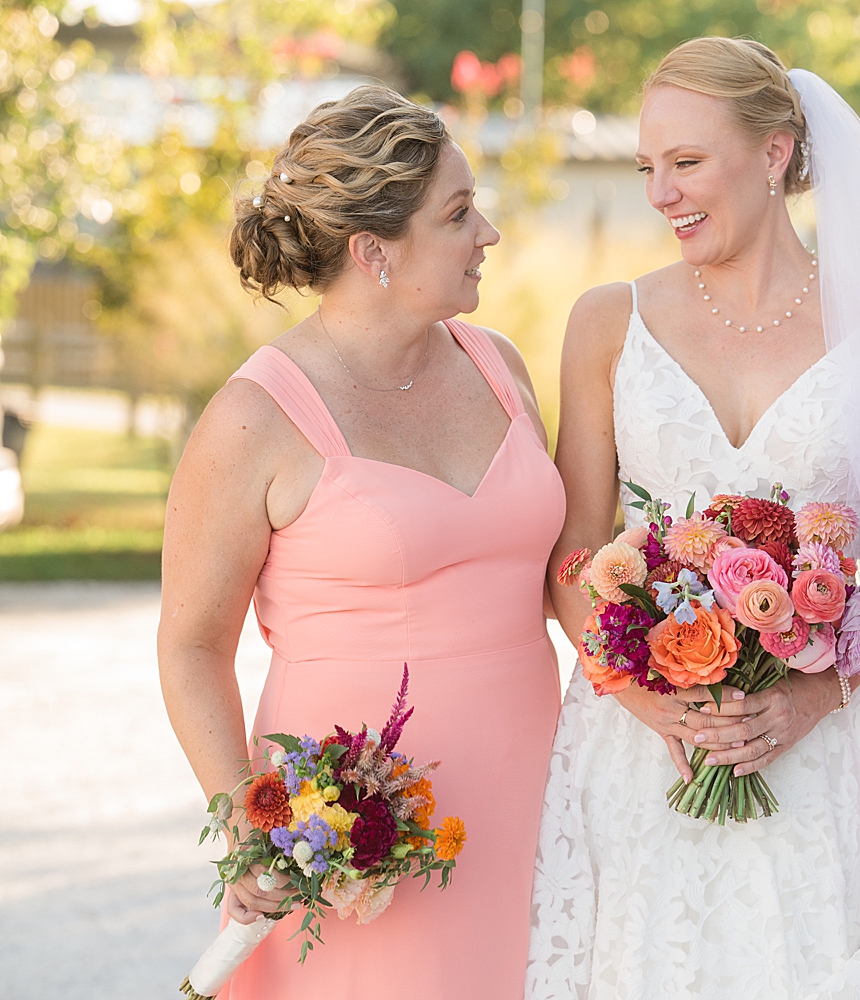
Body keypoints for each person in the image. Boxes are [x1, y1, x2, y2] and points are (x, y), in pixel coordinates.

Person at [527, 37, 860, 1000]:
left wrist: (809, 698)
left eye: (687, 162)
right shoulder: (607, 321)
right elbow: (572, 556)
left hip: (827, 746)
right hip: (641, 755)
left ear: (777, 152)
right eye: (648, 169)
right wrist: (646, 699)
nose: (661, 193)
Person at [158, 85, 564, 997]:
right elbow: (189, 645)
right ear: (372, 249)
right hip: (360, 827)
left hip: (538, 788)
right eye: (459, 214)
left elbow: (557, 574)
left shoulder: (499, 365)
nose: (487, 232)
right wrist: (249, 824)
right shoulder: (254, 418)